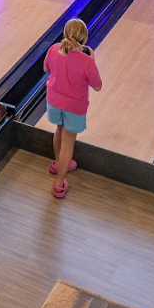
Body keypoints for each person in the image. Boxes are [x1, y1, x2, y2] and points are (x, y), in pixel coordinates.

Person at [43, 18, 103, 199]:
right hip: (74, 106)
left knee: (58, 130)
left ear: (65, 34)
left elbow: (46, 69)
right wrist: (92, 60)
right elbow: (98, 86)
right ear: (84, 38)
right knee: (68, 142)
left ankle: (57, 162)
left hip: (54, 101)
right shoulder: (87, 61)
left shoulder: (53, 49)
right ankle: (59, 183)